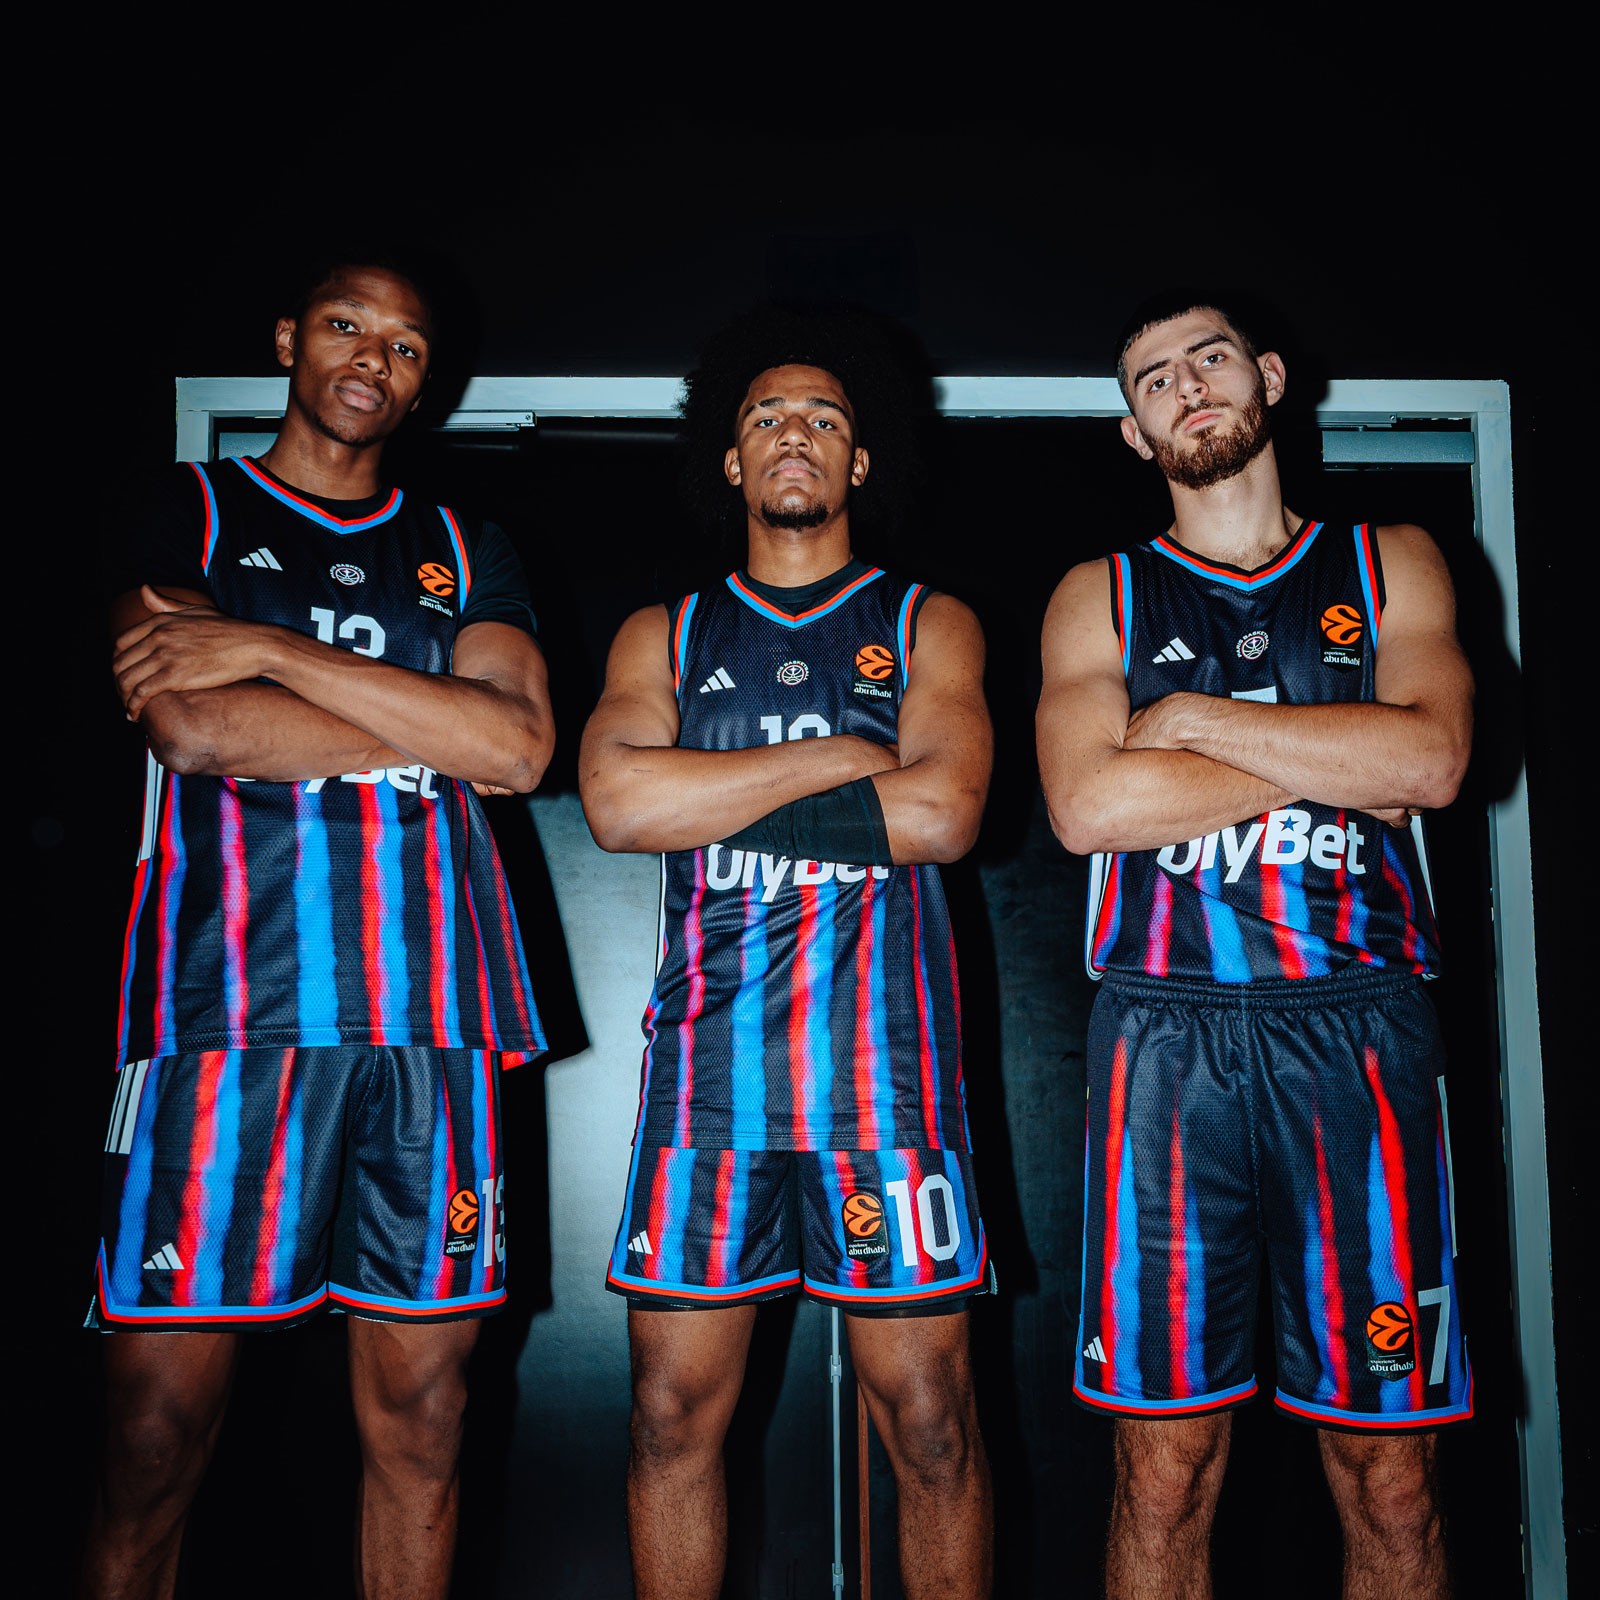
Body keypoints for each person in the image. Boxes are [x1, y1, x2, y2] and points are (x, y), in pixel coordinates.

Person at [85, 255, 553, 1600]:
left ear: (426, 380)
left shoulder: (466, 545)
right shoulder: (185, 506)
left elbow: (518, 748)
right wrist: (427, 716)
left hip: (436, 1024)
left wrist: (275, 651)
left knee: (426, 1421)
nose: (371, 359)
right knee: (151, 1437)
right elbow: (193, 725)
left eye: (404, 346)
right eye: (347, 326)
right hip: (225, 1015)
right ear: (291, 339)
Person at [1037, 292, 1474, 1598]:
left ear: (1269, 376)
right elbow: (1089, 807)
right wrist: (1343, 756)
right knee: (1164, 1470)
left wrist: (1183, 718)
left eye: (1211, 356)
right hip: (1164, 1039)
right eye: (1155, 378)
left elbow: (1432, 762)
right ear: (1135, 431)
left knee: (1390, 1476)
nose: (1188, 385)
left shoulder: (1393, 562)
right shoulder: (1098, 595)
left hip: (1361, 1028)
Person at [579, 308, 995, 1599]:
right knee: (668, 1420)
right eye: (766, 416)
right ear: (730, 458)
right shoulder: (663, 634)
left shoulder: (928, 623)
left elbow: (943, 814)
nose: (793, 434)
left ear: (860, 459)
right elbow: (618, 805)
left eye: (823, 416)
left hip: (886, 1083)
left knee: (931, 1425)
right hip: (707, 1086)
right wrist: (848, 760)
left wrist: (703, 792)